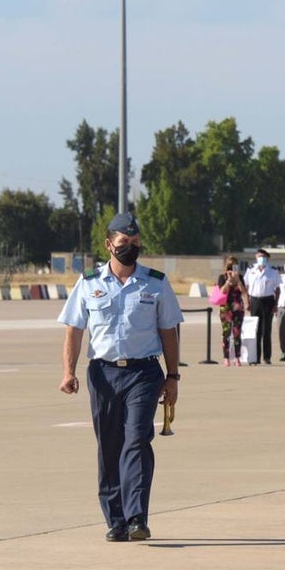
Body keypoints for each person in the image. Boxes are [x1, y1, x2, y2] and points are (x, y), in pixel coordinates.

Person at [57, 212, 184, 542]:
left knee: (137, 438)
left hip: (144, 372)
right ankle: (115, 519)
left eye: (135, 242)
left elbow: (169, 331)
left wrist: (172, 377)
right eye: (124, 243)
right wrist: (68, 372)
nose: (130, 247)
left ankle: (137, 515)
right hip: (103, 373)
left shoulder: (155, 282)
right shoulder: (88, 283)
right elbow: (74, 329)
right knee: (109, 444)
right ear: (108, 245)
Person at [243, 248, 281, 365]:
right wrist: (247, 302)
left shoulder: (273, 271)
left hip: (268, 300)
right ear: (255, 257)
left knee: (266, 330)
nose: (261, 259)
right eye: (259, 256)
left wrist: (276, 303)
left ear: (267, 258)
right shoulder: (250, 270)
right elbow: (246, 287)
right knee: (255, 331)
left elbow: (278, 288)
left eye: (263, 257)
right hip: (254, 300)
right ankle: (255, 357)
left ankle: (267, 357)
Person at [217, 255, 249, 367]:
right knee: (226, 333)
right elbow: (223, 291)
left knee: (237, 333)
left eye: (234, 266)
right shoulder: (222, 277)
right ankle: (226, 358)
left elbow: (244, 291)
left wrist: (238, 280)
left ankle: (237, 357)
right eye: (230, 266)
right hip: (225, 307)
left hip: (237, 308)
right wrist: (229, 281)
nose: (232, 268)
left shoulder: (240, 277)